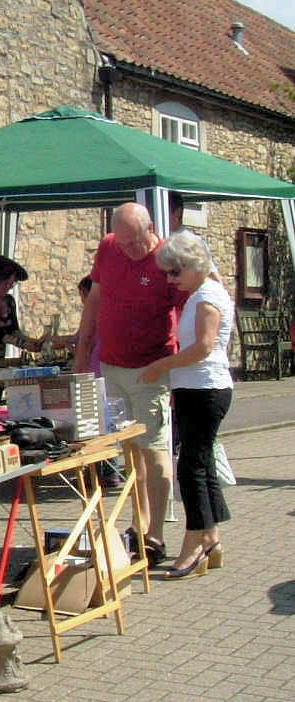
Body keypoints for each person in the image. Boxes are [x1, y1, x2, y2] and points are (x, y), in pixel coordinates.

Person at [73, 203, 188, 567]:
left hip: (151, 368)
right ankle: (137, 525)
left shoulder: (167, 257)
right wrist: (82, 353)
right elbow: (94, 300)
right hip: (112, 364)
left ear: (150, 228)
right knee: (130, 450)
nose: (130, 250)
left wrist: (177, 367)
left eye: (136, 243)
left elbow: (188, 309)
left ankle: (155, 534)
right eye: (124, 243)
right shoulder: (109, 246)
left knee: (154, 447)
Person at [138, 230, 233, 578]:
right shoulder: (204, 291)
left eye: (175, 272)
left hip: (205, 389)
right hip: (199, 389)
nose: (170, 280)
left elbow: (204, 347)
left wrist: (161, 366)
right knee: (202, 464)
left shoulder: (207, 296)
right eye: (167, 273)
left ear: (194, 266)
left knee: (190, 468)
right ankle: (210, 537)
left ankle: (193, 542)